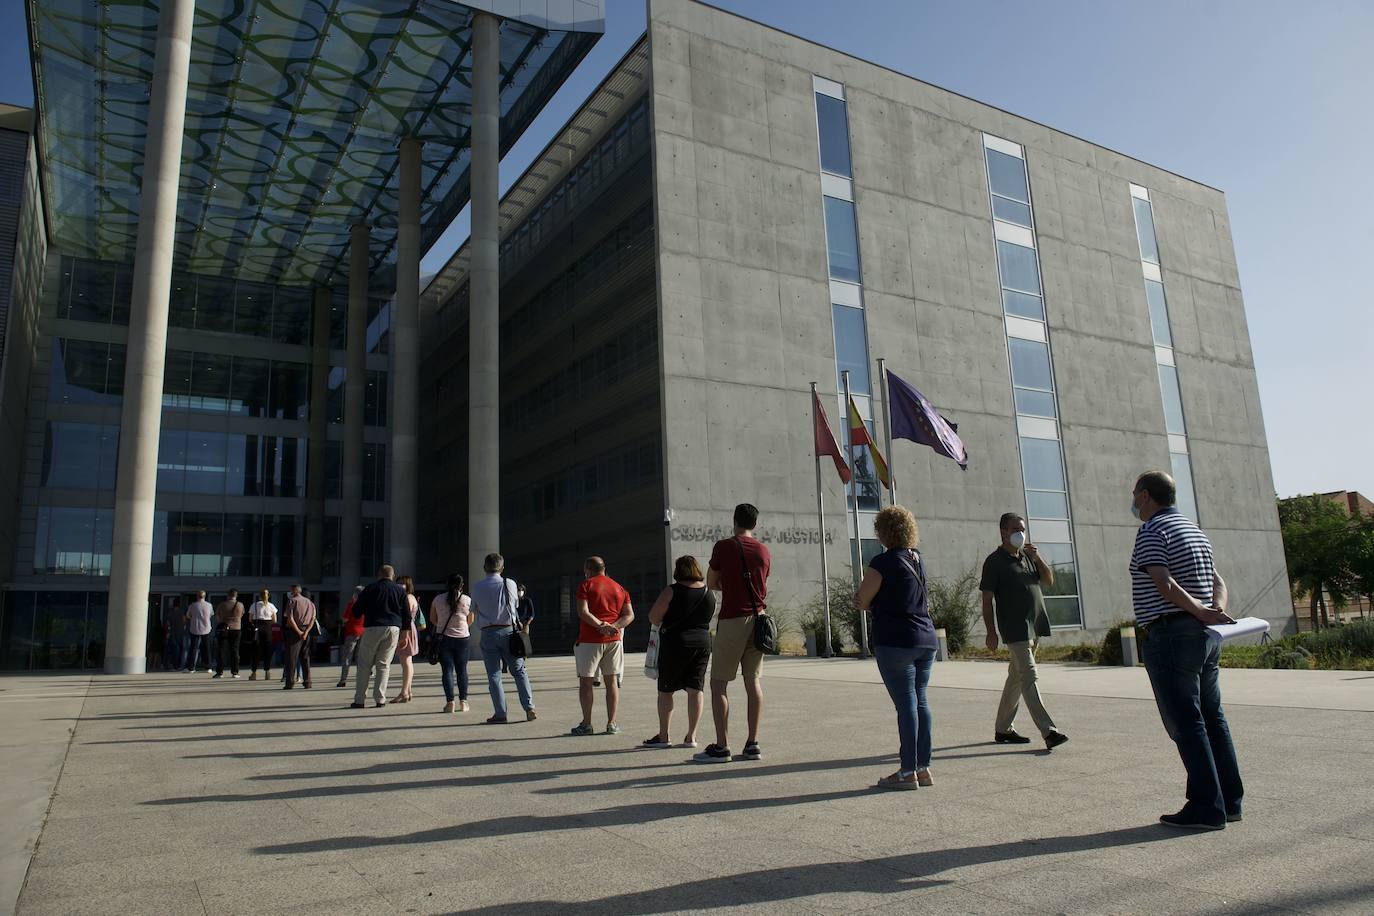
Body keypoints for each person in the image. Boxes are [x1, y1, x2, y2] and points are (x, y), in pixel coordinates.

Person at [1130, 470, 1243, 830]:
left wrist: (1197, 610)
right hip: (1204, 636)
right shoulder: (1194, 530)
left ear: (1146, 496)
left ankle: (1206, 808)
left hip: (1171, 635)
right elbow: (1217, 581)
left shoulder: (1152, 531)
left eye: (1135, 495)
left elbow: (1164, 582)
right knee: (1213, 717)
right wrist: (1213, 611)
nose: (1133, 502)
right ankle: (1229, 802)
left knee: (1187, 723)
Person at [857, 506, 938, 789]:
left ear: (882, 531)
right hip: (926, 639)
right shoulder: (918, 559)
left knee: (906, 705)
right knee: (921, 701)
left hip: (896, 640)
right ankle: (923, 767)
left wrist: (866, 602)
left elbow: (863, 598)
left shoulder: (883, 562)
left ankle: (907, 772)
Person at [980, 513, 1069, 750]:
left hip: (1035, 625)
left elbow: (1048, 581)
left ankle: (1003, 729)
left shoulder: (1028, 557)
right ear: (1003, 531)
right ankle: (1049, 731)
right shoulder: (994, 561)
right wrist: (991, 632)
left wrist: (1037, 557)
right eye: (1015, 529)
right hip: (1015, 628)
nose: (1020, 533)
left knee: (1016, 679)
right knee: (1029, 676)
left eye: (1022, 528)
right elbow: (987, 600)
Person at [696, 503, 771, 763]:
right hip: (759, 619)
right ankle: (752, 743)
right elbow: (763, 584)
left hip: (732, 619)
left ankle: (722, 745)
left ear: (734, 521)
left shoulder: (724, 546)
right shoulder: (763, 550)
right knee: (753, 681)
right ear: (755, 523)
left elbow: (712, 581)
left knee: (719, 683)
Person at [642, 555, 715, 749]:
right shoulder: (709, 592)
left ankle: (664, 735)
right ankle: (691, 736)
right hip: (702, 643)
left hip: (675, 643)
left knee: (666, 690)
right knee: (695, 689)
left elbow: (654, 617)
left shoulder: (671, 591)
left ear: (678, 570)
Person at [571, 557, 635, 736]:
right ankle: (612, 723)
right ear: (604, 569)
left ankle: (587, 724)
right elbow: (629, 615)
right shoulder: (619, 587)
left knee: (586, 682)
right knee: (611, 681)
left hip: (590, 640)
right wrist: (614, 627)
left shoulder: (585, 585)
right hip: (613, 641)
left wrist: (601, 625)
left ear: (587, 570)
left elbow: (583, 612)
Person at [471, 553, 536, 724]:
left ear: (485, 568)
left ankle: (500, 713)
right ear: (502, 568)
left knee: (494, 675)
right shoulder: (510, 583)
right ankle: (529, 708)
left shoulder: (477, 587)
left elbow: (474, 609)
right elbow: (514, 606)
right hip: (509, 632)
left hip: (488, 633)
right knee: (519, 671)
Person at [350, 565, 407, 709]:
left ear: (379, 575)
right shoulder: (400, 590)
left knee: (364, 664)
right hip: (393, 628)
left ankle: (360, 700)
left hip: (372, 627)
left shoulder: (370, 589)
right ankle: (380, 699)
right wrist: (405, 634)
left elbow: (356, 611)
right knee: (383, 664)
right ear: (393, 576)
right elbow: (407, 615)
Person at [432, 573, 474, 713]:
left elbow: (433, 619)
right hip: (463, 638)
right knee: (462, 670)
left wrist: (444, 623)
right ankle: (463, 702)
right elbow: (470, 620)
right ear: (462, 585)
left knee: (447, 671)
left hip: (443, 637)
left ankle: (450, 703)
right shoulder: (467, 600)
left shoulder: (438, 599)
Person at [391, 575, 420, 703]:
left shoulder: (407, 598)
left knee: (406, 661)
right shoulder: (409, 597)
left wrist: (404, 635)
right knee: (407, 661)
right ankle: (407, 691)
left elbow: (405, 616)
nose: (400, 586)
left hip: (406, 629)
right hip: (408, 629)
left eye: (402, 583)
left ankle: (404, 692)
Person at [283, 584, 317, 689]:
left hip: (294, 632)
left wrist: (298, 631)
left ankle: (290, 683)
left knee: (291, 658)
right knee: (305, 657)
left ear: (294, 590)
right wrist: (306, 632)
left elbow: (290, 618)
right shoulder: (310, 603)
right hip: (306, 630)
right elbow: (313, 618)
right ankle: (307, 682)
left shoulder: (292, 601)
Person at [337, 586, 365, 688]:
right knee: (360, 657)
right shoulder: (367, 604)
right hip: (363, 632)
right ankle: (360, 679)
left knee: (347, 656)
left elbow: (345, 619)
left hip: (352, 632)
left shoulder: (352, 604)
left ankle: (343, 679)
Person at [247, 588, 278, 681]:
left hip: (258, 628)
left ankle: (254, 672)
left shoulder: (254, 605)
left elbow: (250, 619)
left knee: (256, 651)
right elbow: (274, 620)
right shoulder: (272, 606)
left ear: (259, 596)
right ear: (268, 596)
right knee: (268, 650)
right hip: (268, 628)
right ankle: (267, 672)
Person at [213, 590, 245, 679]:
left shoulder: (222, 605)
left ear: (228, 595)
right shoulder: (240, 605)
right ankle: (235, 672)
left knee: (221, 650)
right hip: (236, 629)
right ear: (236, 595)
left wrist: (225, 621)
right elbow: (242, 615)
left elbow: (218, 617)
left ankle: (220, 672)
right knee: (235, 650)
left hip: (224, 629)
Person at [184, 592, 213, 672]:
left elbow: (188, 616)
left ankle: (191, 667)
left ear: (197, 596)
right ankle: (208, 666)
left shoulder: (192, 605)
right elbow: (211, 615)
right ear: (204, 596)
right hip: (206, 628)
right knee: (207, 648)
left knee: (193, 648)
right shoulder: (209, 605)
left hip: (195, 628)